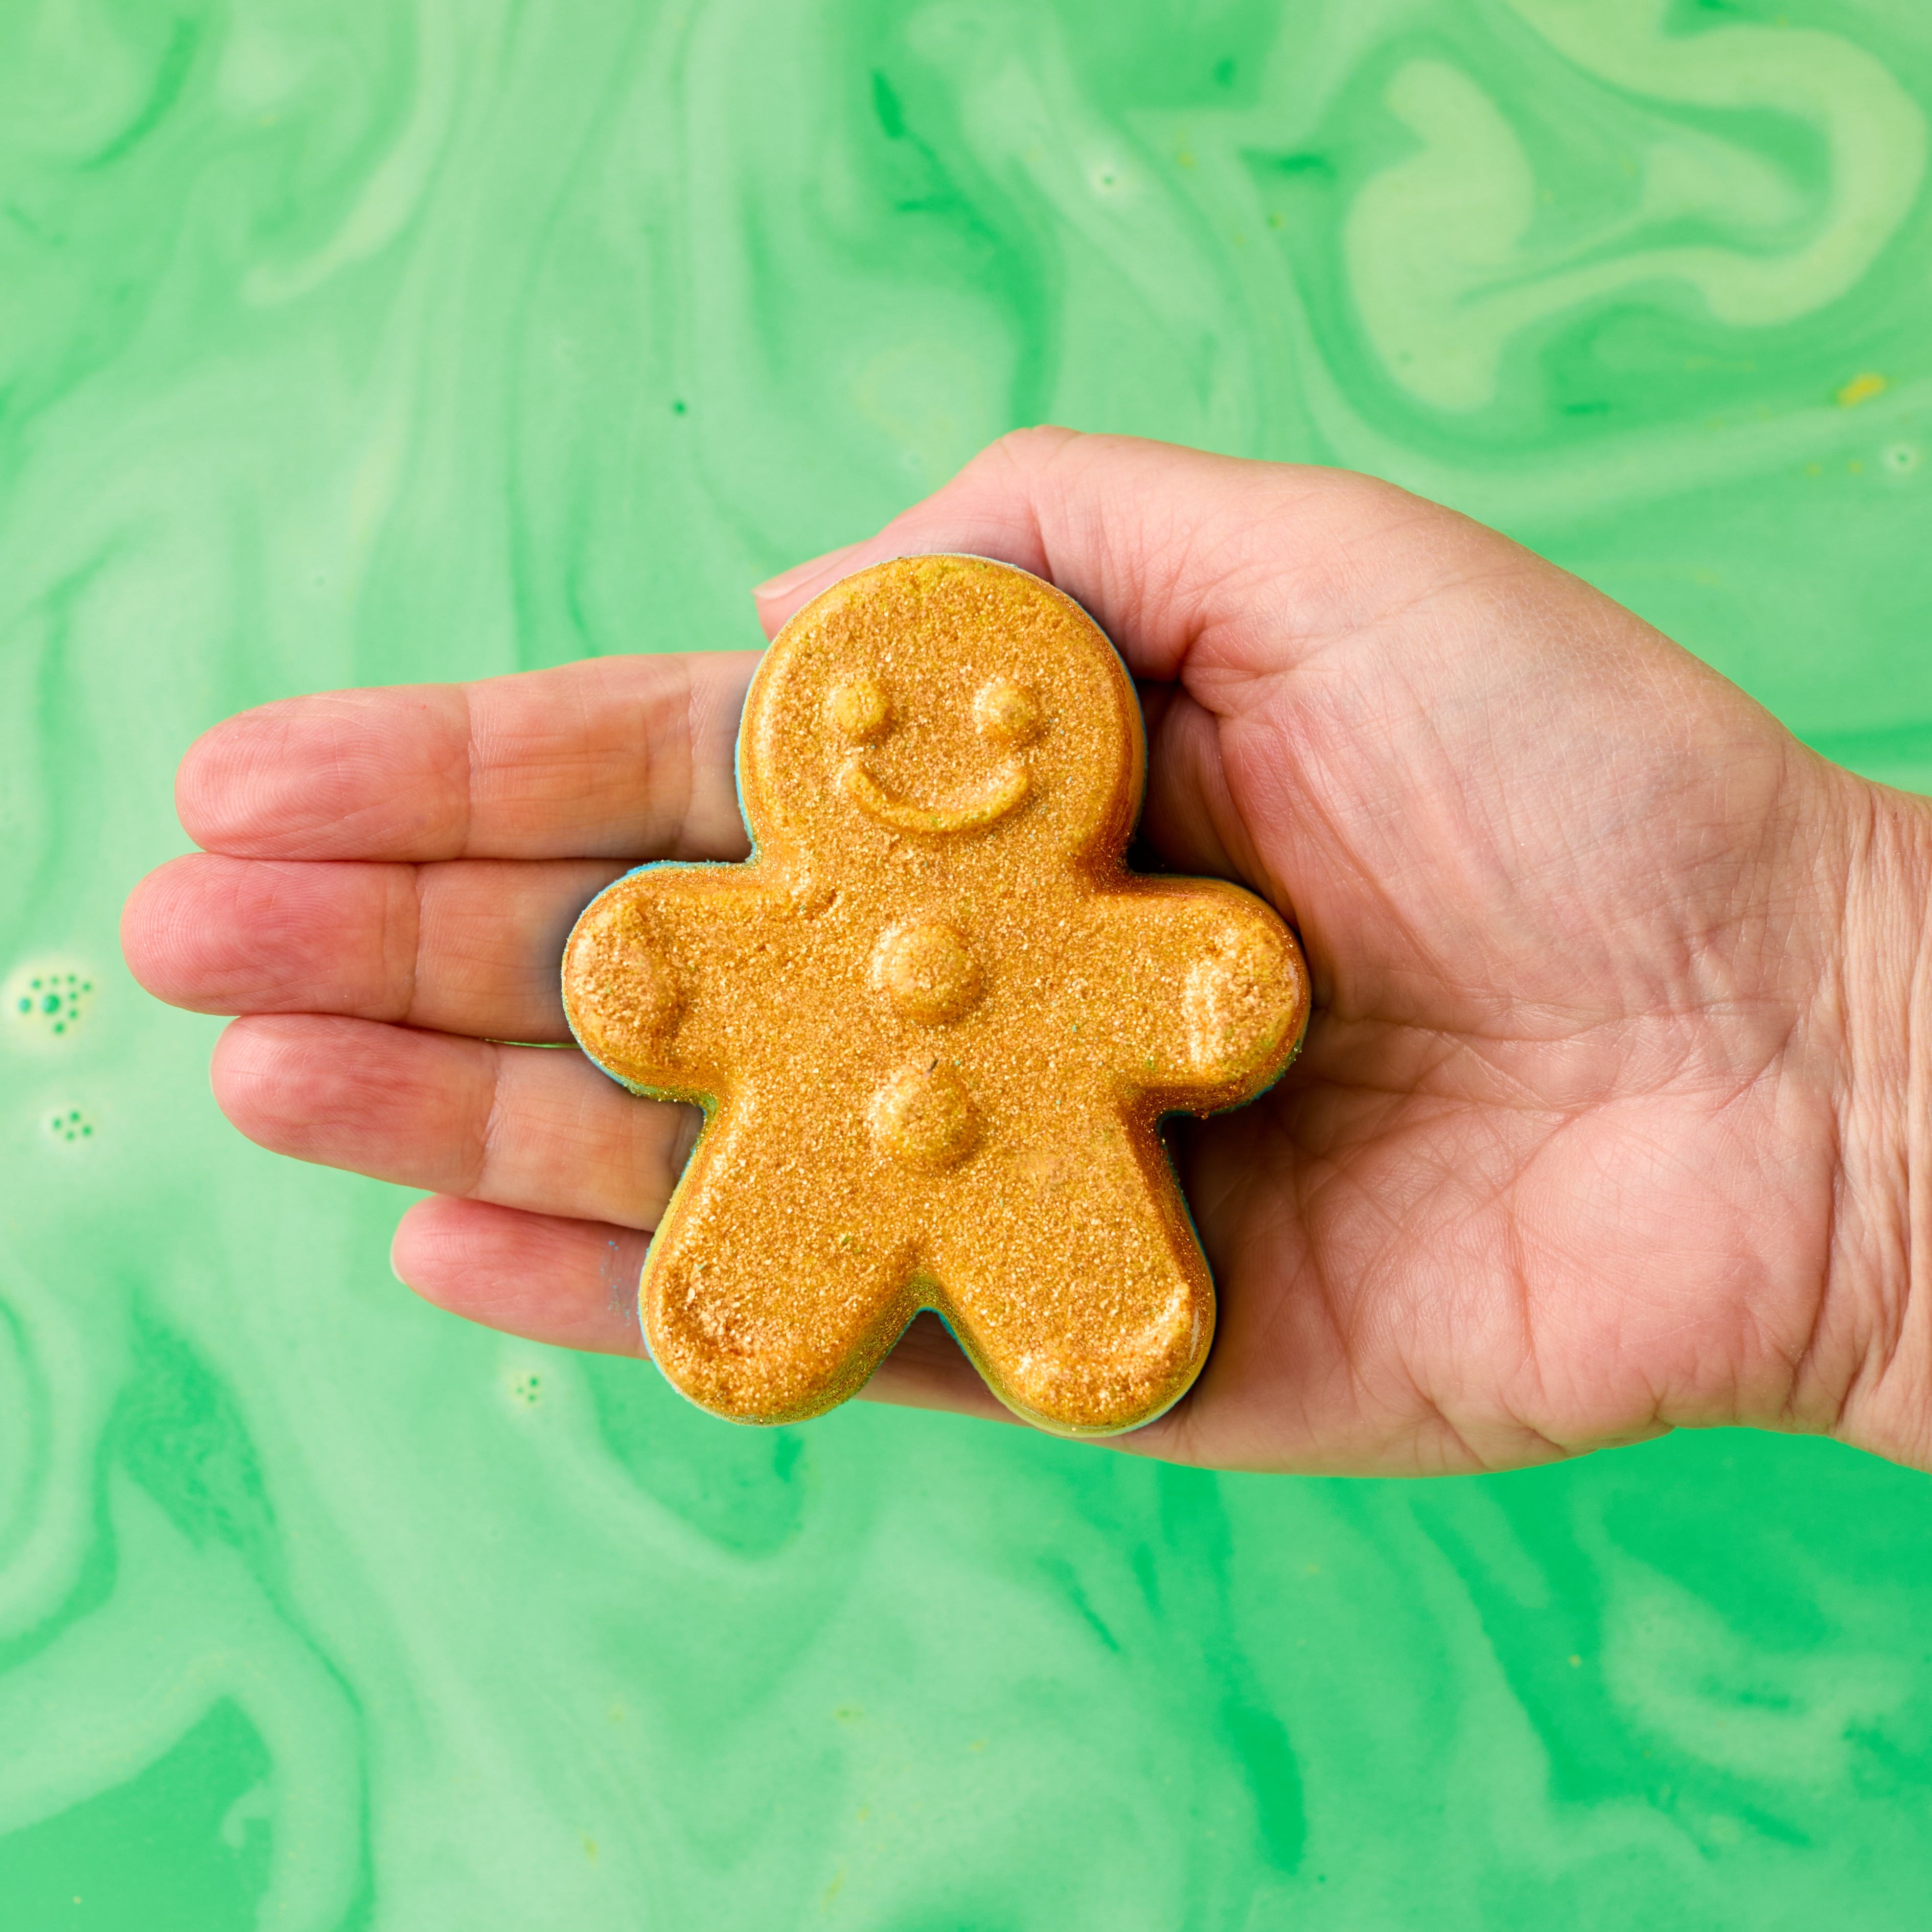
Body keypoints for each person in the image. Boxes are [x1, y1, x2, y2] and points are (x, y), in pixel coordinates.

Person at [120, 430, 1930, 1475]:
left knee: (1081, 1300)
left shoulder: (1097, 903)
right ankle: (806, 1317)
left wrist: (1851, 1016)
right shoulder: (777, 905)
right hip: (805, 1161)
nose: (938, 741)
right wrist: (1853, 1116)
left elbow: (1208, 976)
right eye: (871, 710)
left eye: (1002, 713)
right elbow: (655, 960)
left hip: (1060, 1164)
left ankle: (1078, 1326)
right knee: (762, 1285)